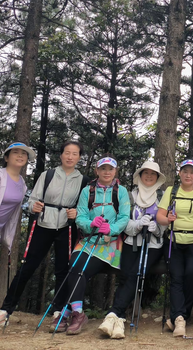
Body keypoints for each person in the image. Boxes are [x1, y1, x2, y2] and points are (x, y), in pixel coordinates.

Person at [1, 141, 86, 330]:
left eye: (74, 154)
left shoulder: (83, 180)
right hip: (43, 224)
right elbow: (31, 200)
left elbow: (83, 208)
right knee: (27, 266)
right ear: (61, 155)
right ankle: (6, 310)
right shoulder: (47, 175)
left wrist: (76, 213)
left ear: (79, 157)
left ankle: (58, 311)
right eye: (67, 153)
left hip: (66, 227)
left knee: (63, 270)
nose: (70, 157)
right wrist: (34, 206)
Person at [60, 154, 130, 336]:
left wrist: (111, 228)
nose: (107, 172)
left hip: (110, 244)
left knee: (80, 271)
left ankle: (66, 312)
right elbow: (80, 215)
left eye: (110, 169)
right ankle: (78, 313)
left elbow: (124, 217)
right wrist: (89, 224)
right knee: (75, 266)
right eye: (103, 169)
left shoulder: (121, 191)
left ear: (115, 171)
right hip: (87, 241)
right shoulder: (87, 191)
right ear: (96, 171)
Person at [98, 161, 167, 339]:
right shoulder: (130, 195)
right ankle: (119, 320)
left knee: (137, 274)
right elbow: (123, 221)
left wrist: (155, 228)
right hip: (130, 241)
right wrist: (137, 225)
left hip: (153, 244)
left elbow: (165, 225)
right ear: (140, 175)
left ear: (158, 177)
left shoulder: (162, 196)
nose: (149, 176)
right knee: (126, 277)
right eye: (146, 173)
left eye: (153, 174)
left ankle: (113, 314)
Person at [157, 159, 193, 337]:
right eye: (185, 171)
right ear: (179, 173)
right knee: (176, 278)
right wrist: (168, 220)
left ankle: (178, 316)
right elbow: (160, 215)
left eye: (192, 172)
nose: (188, 175)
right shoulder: (171, 191)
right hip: (174, 241)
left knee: (192, 276)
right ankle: (180, 319)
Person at [0, 142, 35, 327]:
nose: (20, 156)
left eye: (24, 154)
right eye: (15, 153)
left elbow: (13, 214)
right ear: (7, 157)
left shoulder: (22, 184)